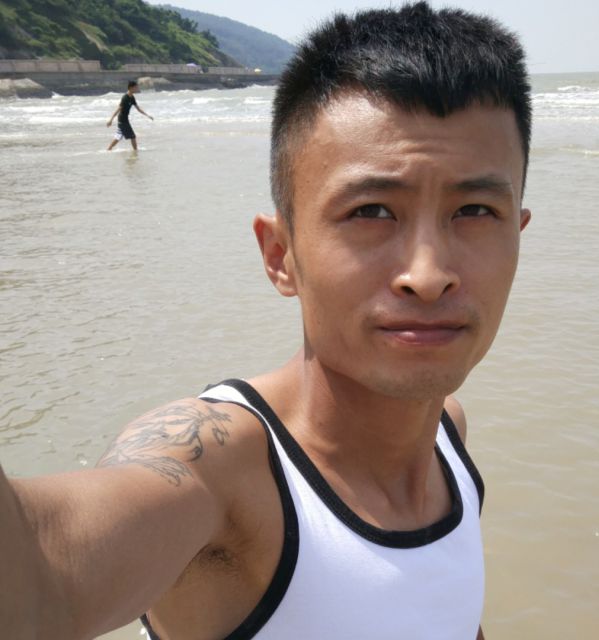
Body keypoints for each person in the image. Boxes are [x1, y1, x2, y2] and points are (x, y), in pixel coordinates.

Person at [1, 3, 532, 639]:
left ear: (519, 233)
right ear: (281, 255)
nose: (428, 273)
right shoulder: (224, 470)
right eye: (371, 211)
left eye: (475, 211)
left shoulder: (448, 433)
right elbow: (40, 580)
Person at [107, 80, 153, 151]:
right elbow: (118, 109)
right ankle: (135, 151)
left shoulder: (132, 97)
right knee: (132, 136)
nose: (137, 89)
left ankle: (108, 149)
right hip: (122, 120)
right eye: (136, 87)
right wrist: (111, 120)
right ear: (131, 88)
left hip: (125, 120)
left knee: (119, 136)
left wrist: (147, 115)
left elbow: (138, 108)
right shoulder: (125, 98)